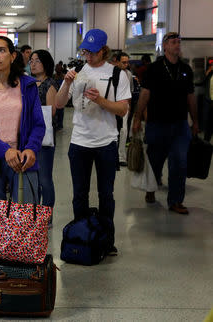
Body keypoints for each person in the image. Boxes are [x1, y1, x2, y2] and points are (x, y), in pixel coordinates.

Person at [55, 29, 131, 255]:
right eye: (85, 51)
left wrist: (100, 100)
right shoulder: (76, 71)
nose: (88, 56)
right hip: (79, 142)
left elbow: (123, 109)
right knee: (80, 194)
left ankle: (107, 241)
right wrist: (67, 84)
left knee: (106, 194)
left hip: (106, 141)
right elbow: (59, 104)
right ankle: (81, 235)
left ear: (103, 51)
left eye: (93, 52)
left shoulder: (118, 75)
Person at [0, 36, 45, 240]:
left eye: (2, 50)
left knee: (25, 221)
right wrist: (5, 151)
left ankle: (21, 270)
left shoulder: (28, 86)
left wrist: (31, 148)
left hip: (23, 159)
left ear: (13, 56)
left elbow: (38, 124)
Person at [132, 32, 198, 214]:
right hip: (157, 124)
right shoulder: (154, 69)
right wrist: (137, 118)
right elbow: (145, 95)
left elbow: (191, 97)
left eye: (179, 42)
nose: (177, 45)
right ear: (165, 46)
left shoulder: (186, 69)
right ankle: (151, 189)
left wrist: (196, 121)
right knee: (155, 161)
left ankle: (175, 200)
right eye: (173, 42)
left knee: (179, 162)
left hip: (179, 125)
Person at [29, 49, 59, 217]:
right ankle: (34, 213)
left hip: (44, 137)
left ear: (46, 63)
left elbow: (51, 111)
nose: (33, 64)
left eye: (37, 61)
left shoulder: (50, 84)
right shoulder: (29, 83)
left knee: (45, 179)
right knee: (33, 179)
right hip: (29, 137)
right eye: (31, 61)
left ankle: (46, 216)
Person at [116, 52, 135, 166]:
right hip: (112, 105)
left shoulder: (128, 74)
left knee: (123, 130)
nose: (126, 64)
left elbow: (130, 93)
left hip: (124, 105)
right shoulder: (112, 73)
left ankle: (121, 157)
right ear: (117, 62)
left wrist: (129, 107)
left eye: (127, 62)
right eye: (123, 62)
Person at [202, 61, 213, 142]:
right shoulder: (208, 74)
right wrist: (207, 72)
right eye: (211, 65)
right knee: (207, 119)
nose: (211, 66)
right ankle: (206, 139)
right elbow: (203, 82)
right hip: (208, 99)